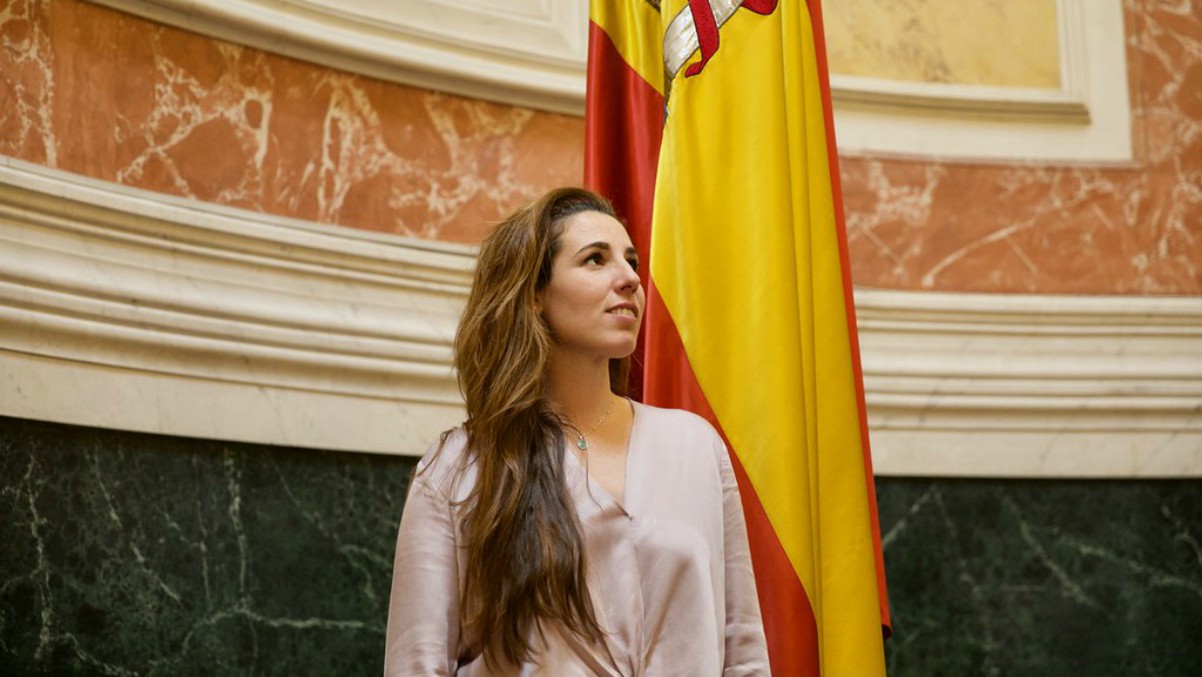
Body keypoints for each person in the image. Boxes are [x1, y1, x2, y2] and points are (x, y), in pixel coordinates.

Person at [384, 187, 769, 675]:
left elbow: (744, 651)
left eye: (630, 260)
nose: (630, 278)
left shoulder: (694, 446)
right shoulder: (462, 467)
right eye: (595, 260)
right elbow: (416, 663)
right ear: (535, 294)